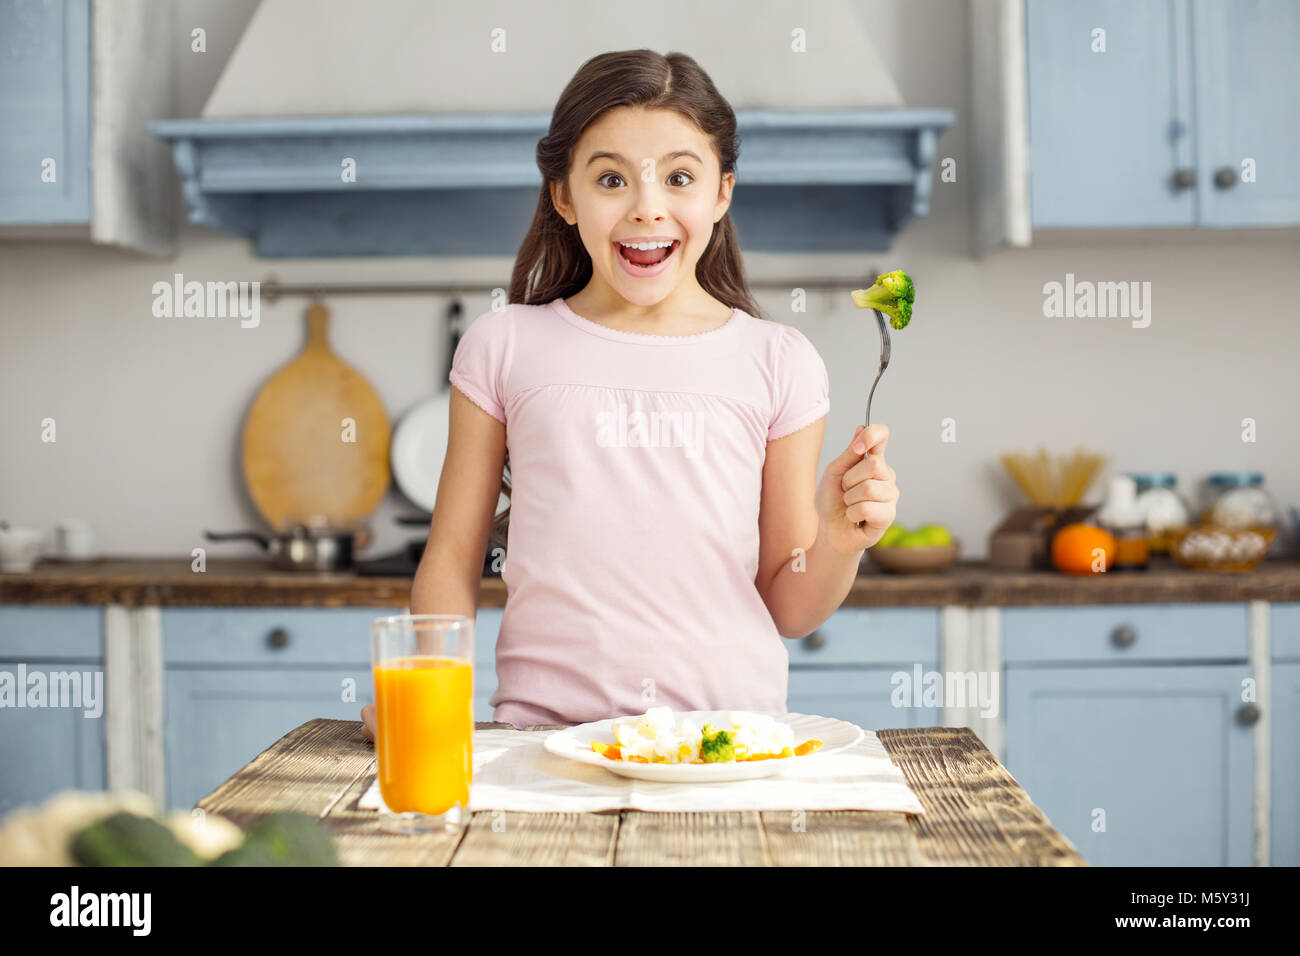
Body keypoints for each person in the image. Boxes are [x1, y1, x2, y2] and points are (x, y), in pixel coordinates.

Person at [363, 48, 897, 737]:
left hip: (728, 747)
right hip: (542, 742)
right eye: (611, 178)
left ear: (722, 193)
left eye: (679, 177)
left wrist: (840, 540)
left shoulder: (779, 362)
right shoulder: (504, 346)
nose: (648, 209)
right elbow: (451, 558)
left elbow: (789, 608)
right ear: (565, 195)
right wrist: (429, 700)